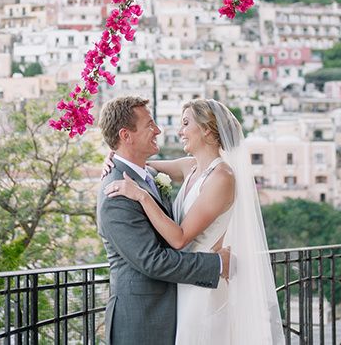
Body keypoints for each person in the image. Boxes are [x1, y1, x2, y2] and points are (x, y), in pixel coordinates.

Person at [105, 98, 284, 344]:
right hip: (184, 283)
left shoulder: (222, 176)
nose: (179, 131)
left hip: (203, 288)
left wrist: (141, 196)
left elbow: (179, 239)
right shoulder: (190, 166)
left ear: (207, 129)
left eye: (186, 123)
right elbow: (143, 168)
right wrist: (113, 155)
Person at [97, 96, 231, 345]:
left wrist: (121, 157)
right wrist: (216, 265)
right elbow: (152, 261)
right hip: (142, 319)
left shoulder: (146, 176)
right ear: (126, 135)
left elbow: (144, 168)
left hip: (181, 301)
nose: (159, 130)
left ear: (206, 130)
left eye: (185, 123)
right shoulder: (116, 193)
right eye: (150, 124)